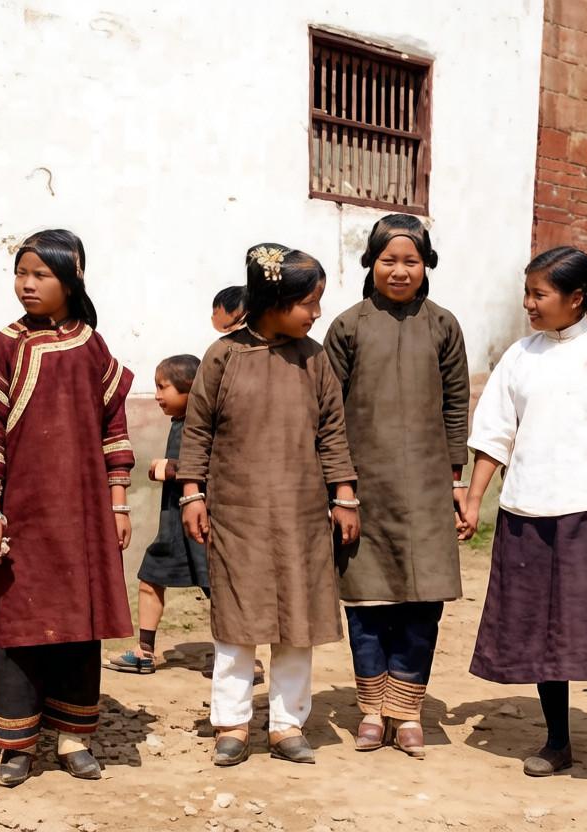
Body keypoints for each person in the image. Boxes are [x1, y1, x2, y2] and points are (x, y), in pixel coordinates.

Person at [460, 246, 587, 785]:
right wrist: (474, 496)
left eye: (539, 294)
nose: (528, 304)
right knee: (539, 632)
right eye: (526, 293)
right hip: (527, 512)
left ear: (576, 298)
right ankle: (557, 742)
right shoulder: (519, 356)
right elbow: (494, 434)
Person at [0, 229, 135, 787]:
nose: (27, 285)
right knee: (17, 625)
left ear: (72, 277)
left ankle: (73, 737)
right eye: (21, 273)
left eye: (40, 274)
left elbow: (114, 428)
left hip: (83, 515)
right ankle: (17, 743)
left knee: (78, 625)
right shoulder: (5, 345)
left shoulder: (91, 345)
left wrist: (119, 501)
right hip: (22, 512)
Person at [179, 243, 359, 767]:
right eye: (308, 302)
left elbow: (332, 431)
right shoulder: (223, 356)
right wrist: (193, 492)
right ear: (273, 300)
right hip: (237, 513)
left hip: (303, 514)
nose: (317, 313)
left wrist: (344, 495)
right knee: (238, 623)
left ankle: (286, 725)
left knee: (296, 621)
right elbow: (198, 431)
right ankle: (232, 724)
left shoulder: (315, 358)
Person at [323, 214, 469, 758]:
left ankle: (407, 710)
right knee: (366, 603)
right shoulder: (348, 326)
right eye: (389, 260)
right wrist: (339, 487)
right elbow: (329, 412)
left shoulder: (444, 326)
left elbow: (457, 405)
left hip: (429, 490)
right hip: (365, 491)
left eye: (411, 261)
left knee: (422, 602)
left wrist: (455, 479)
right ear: (371, 264)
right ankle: (370, 708)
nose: (400, 271)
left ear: (426, 265)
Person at [110, 354, 209, 675]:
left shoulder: (204, 425)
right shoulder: (179, 422)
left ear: (190, 389)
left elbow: (215, 466)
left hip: (202, 523)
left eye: (162, 387)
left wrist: (168, 468)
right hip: (172, 524)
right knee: (150, 578)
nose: (156, 395)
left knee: (218, 588)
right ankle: (145, 651)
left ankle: (240, 659)